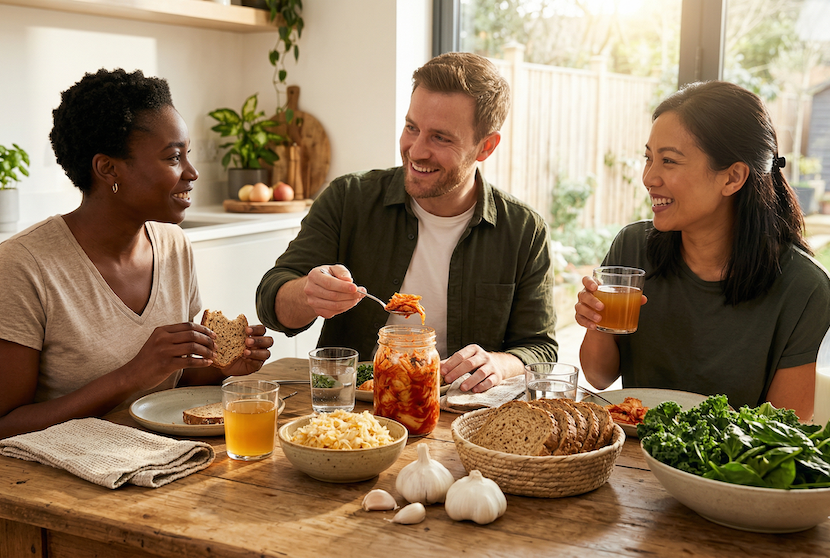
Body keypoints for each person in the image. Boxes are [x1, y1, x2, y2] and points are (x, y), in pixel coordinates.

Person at [0, 69, 273, 557]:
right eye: (174, 158)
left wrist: (219, 367)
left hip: (141, 476)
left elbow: (176, 381)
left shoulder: (172, 246)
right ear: (108, 169)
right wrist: (132, 374)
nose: (191, 172)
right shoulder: (23, 267)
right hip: (25, 506)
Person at [256, 52, 557, 394]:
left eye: (440, 138)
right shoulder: (348, 198)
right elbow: (270, 300)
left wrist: (499, 363)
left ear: (485, 146)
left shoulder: (523, 230)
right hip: (354, 412)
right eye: (412, 127)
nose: (415, 151)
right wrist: (308, 294)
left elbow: (541, 349)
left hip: (461, 414)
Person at [575, 80, 830, 418]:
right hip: (632, 456)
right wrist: (595, 322)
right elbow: (599, 375)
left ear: (732, 177)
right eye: (648, 158)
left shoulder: (803, 289)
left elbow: (780, 431)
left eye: (669, 161)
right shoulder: (634, 248)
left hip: (726, 467)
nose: (649, 177)